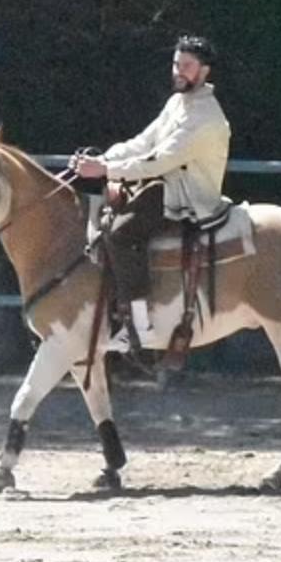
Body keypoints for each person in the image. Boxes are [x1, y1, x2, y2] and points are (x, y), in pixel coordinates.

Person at [69, 35, 230, 352]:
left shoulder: (206, 118)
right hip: (166, 184)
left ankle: (140, 328)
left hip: (188, 197)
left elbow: (159, 160)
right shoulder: (178, 103)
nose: (179, 71)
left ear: (204, 71)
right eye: (176, 64)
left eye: (187, 66)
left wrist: (103, 170)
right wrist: (103, 160)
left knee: (119, 233)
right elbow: (144, 142)